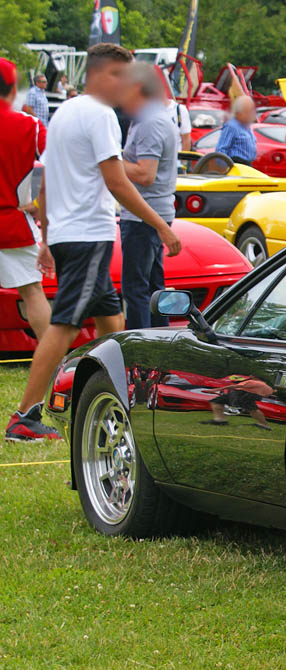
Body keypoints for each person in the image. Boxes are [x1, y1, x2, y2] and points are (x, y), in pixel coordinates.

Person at [6, 44, 182, 443]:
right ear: (107, 74)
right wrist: (161, 226)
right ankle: (24, 417)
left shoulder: (65, 111)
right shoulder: (101, 115)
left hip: (70, 236)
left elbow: (46, 181)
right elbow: (117, 180)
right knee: (64, 324)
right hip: (89, 236)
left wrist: (49, 239)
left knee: (111, 321)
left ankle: (121, 400)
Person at [119, 63, 179, 330]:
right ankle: (160, 341)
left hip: (143, 215)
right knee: (154, 288)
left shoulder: (149, 123)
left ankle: (139, 349)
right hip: (153, 212)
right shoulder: (150, 119)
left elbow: (145, 174)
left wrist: (109, 161)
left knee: (137, 289)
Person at [0, 59, 52, 363]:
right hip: (12, 219)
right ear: (12, 89)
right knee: (32, 292)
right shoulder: (29, 125)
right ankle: (49, 356)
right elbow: (55, 165)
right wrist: (34, 203)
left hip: (13, 219)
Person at [215, 95, 257, 165]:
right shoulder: (231, 126)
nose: (251, 113)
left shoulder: (246, 126)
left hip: (247, 166)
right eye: (247, 111)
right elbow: (221, 150)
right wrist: (226, 170)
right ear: (238, 113)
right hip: (237, 166)